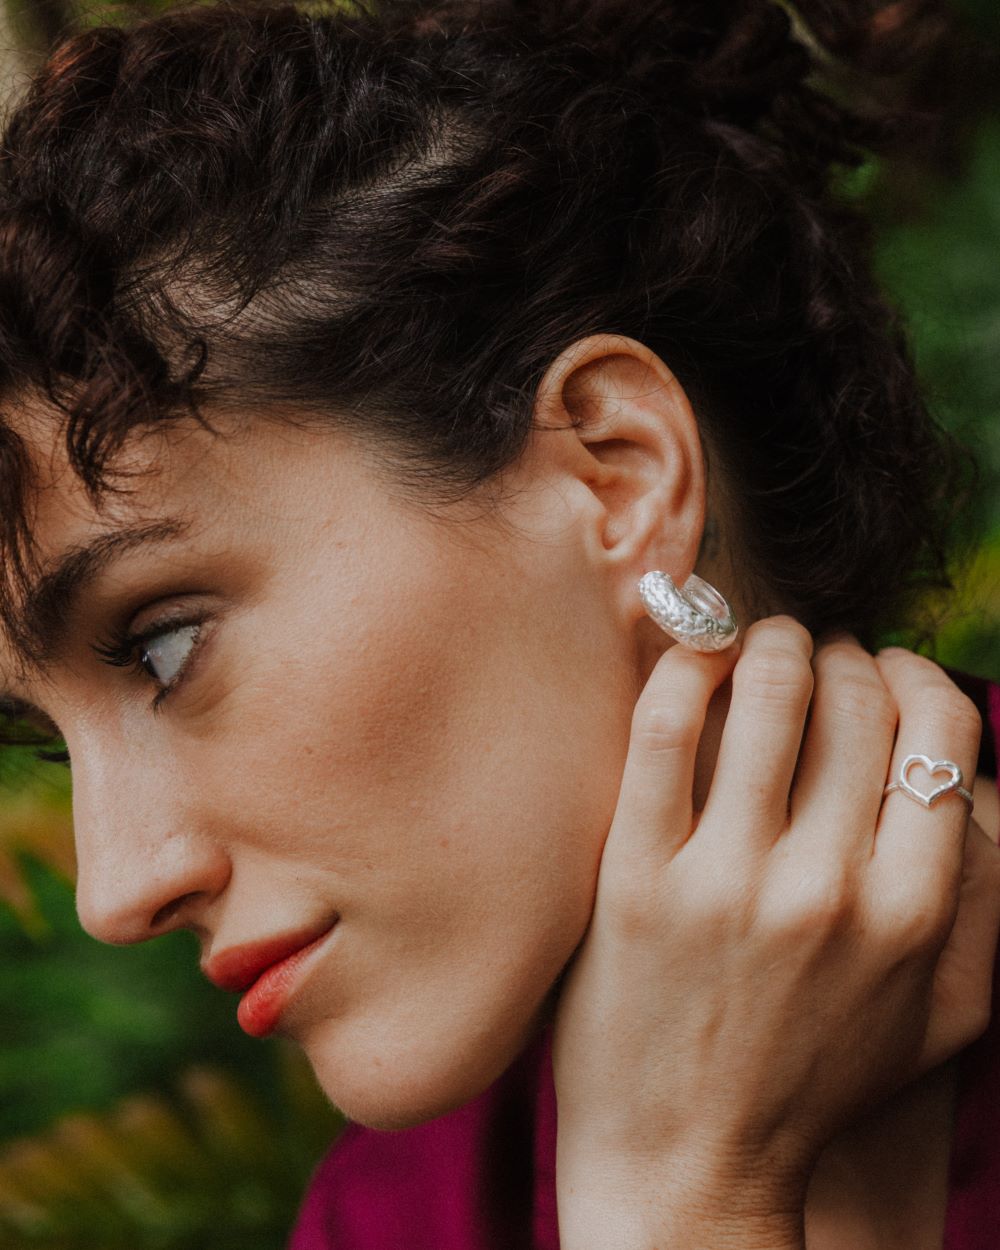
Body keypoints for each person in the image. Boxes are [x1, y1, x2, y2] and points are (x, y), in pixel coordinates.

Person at [0, 0, 997, 1246]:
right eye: (47, 738)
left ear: (613, 474)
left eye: (162, 647)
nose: (115, 887)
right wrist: (676, 1183)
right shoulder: (389, 1222)